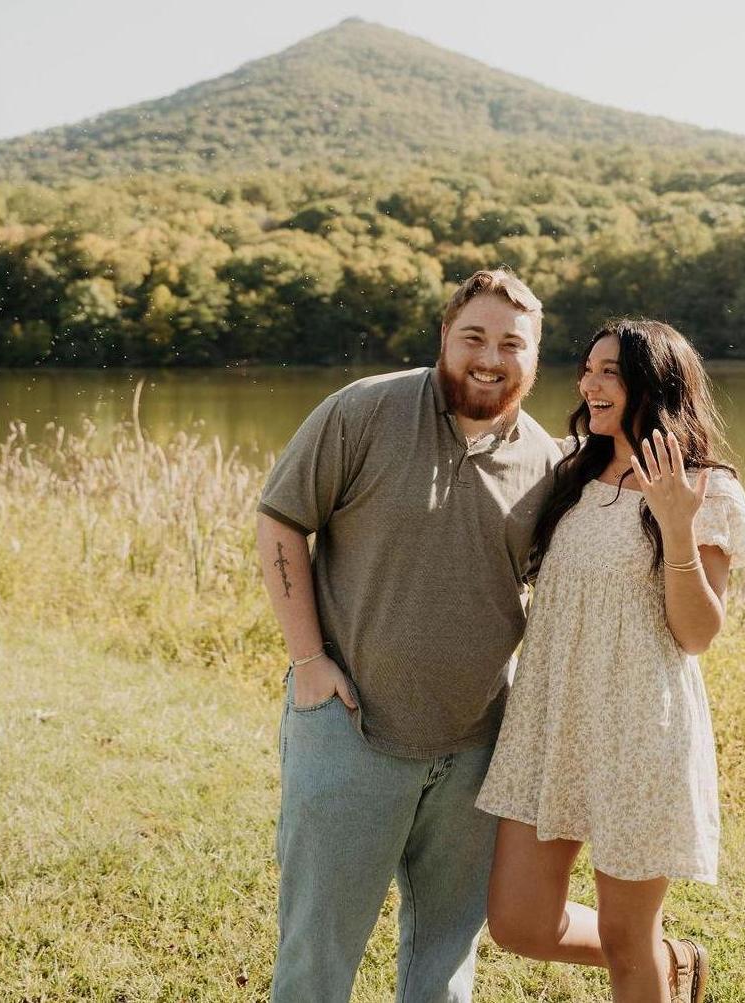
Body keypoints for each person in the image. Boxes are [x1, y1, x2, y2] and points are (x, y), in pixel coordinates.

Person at [255, 269, 561, 1003]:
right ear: (444, 338)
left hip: (475, 749)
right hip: (349, 726)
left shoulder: (548, 462)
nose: (490, 358)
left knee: (445, 962)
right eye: (474, 338)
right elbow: (280, 521)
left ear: (533, 357)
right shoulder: (363, 410)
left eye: (511, 344)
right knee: (317, 956)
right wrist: (308, 660)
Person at [475, 318, 745, 1003]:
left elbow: (696, 633)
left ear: (653, 385)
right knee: (517, 922)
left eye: (610, 372)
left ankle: (650, 961)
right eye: (587, 369)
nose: (589, 384)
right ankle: (673, 959)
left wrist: (677, 528)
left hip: (639, 732)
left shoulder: (705, 489)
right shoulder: (569, 467)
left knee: (626, 940)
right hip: (552, 721)